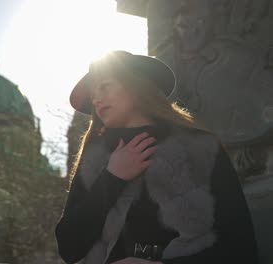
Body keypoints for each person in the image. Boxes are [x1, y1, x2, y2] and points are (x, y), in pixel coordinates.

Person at [55, 50, 258, 264]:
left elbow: (240, 246)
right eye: (93, 93)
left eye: (105, 86)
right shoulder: (94, 156)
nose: (96, 99)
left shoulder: (201, 148)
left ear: (136, 86)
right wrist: (112, 177)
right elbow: (69, 248)